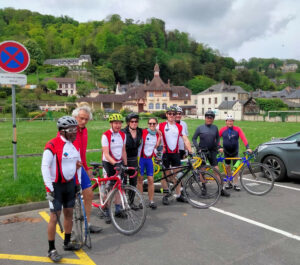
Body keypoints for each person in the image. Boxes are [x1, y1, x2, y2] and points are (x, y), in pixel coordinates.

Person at [42, 116, 82, 262]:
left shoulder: (74, 144)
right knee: (54, 216)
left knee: (69, 213)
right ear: (62, 131)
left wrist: (77, 183)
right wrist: (49, 188)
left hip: (70, 184)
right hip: (56, 186)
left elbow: (79, 163)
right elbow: (45, 167)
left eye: (75, 129)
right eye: (71, 130)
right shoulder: (52, 145)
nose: (74, 132)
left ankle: (67, 242)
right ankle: (51, 249)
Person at [71, 105, 102, 233]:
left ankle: (87, 224)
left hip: (80, 166)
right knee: (71, 198)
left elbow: (82, 152)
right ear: (75, 117)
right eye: (81, 118)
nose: (83, 121)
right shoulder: (69, 129)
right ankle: (71, 228)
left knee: (89, 193)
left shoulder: (84, 131)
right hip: (69, 166)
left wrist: (86, 167)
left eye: (86, 119)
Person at [158, 106, 193, 205]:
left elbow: (185, 139)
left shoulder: (179, 127)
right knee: (165, 175)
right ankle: (165, 196)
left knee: (178, 175)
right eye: (170, 114)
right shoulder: (161, 125)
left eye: (174, 114)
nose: (172, 116)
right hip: (165, 154)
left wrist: (190, 151)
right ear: (166, 115)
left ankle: (178, 195)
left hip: (176, 154)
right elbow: (151, 132)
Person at [192, 110, 230, 197]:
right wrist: (198, 148)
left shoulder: (215, 128)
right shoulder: (200, 128)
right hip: (203, 151)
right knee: (202, 171)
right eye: (208, 117)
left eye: (211, 118)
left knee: (216, 170)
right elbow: (194, 138)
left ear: (213, 119)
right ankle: (203, 187)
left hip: (212, 151)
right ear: (205, 118)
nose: (209, 119)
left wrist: (218, 147)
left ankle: (221, 189)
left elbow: (217, 138)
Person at [101, 113, 127, 223]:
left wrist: (125, 165)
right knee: (109, 188)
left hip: (119, 162)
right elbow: (106, 154)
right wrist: (115, 164)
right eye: (115, 123)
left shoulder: (123, 135)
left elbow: (123, 151)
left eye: (120, 123)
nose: (118, 125)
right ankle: (106, 210)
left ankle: (117, 209)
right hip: (108, 164)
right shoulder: (105, 135)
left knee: (118, 187)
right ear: (111, 123)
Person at [219, 114, 252, 191]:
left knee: (236, 169)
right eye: (228, 121)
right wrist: (219, 147)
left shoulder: (237, 129)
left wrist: (248, 147)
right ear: (226, 122)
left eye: (231, 121)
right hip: (226, 152)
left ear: (233, 122)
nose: (230, 122)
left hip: (235, 152)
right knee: (227, 167)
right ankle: (229, 182)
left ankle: (236, 184)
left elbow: (243, 138)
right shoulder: (222, 130)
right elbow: (217, 139)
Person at [137, 117, 161, 209]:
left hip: (149, 159)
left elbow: (155, 147)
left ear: (156, 124)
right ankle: (140, 201)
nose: (152, 125)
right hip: (141, 158)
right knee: (140, 179)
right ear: (148, 124)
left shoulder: (158, 135)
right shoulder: (143, 132)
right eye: (150, 124)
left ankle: (151, 201)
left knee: (151, 180)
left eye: (154, 124)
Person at [121, 113, 143, 210]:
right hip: (124, 159)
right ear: (128, 122)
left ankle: (131, 202)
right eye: (132, 121)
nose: (134, 123)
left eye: (136, 121)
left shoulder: (140, 131)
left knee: (133, 183)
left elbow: (151, 131)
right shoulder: (123, 132)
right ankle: (123, 204)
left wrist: (158, 132)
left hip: (134, 160)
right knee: (124, 183)